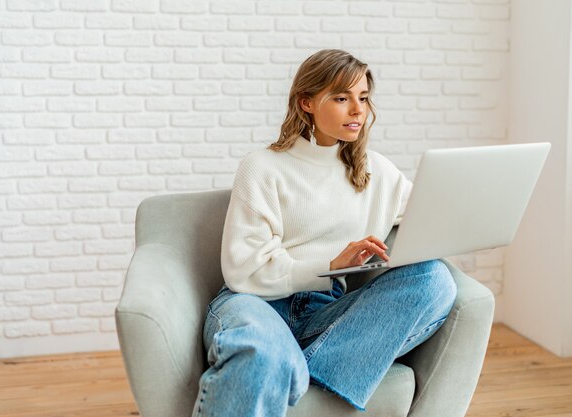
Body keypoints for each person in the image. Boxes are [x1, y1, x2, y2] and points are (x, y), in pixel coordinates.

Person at [191, 49, 458, 417]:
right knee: (260, 349)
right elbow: (243, 271)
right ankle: (281, 359)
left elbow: (435, 216)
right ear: (307, 103)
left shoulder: (377, 172)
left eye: (363, 98)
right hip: (255, 304)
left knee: (435, 280)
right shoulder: (263, 167)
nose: (358, 110)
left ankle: (294, 366)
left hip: (326, 314)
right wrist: (330, 263)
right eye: (341, 98)